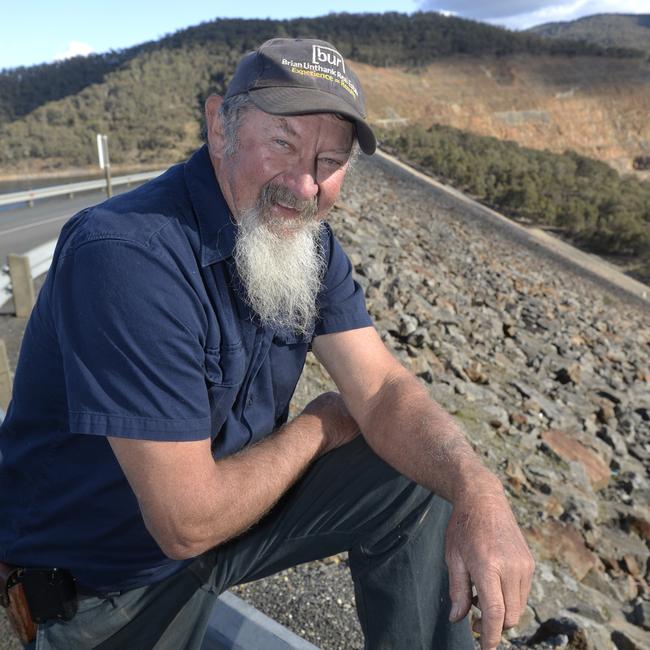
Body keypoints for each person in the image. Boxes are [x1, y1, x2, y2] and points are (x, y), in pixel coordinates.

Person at [0, 38, 534, 650]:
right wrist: (318, 428)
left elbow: (383, 387)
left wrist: (477, 485)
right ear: (218, 124)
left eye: (329, 161)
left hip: (210, 541)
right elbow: (184, 520)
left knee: (414, 475)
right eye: (283, 143)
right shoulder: (128, 257)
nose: (305, 186)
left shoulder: (303, 243)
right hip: (102, 590)